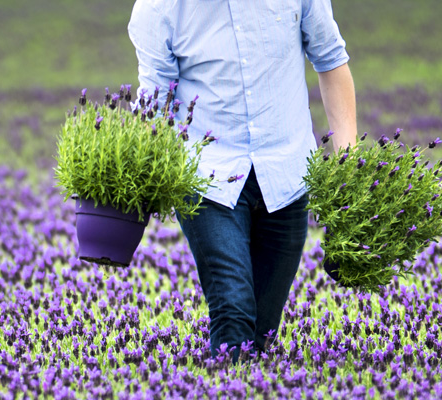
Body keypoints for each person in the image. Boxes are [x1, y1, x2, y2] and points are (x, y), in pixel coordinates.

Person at [128, 0, 358, 362]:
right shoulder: (159, 8)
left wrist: (350, 163)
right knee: (233, 313)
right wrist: (128, 185)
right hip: (207, 180)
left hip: (287, 175)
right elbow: (153, 101)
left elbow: (330, 59)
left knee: (261, 332)